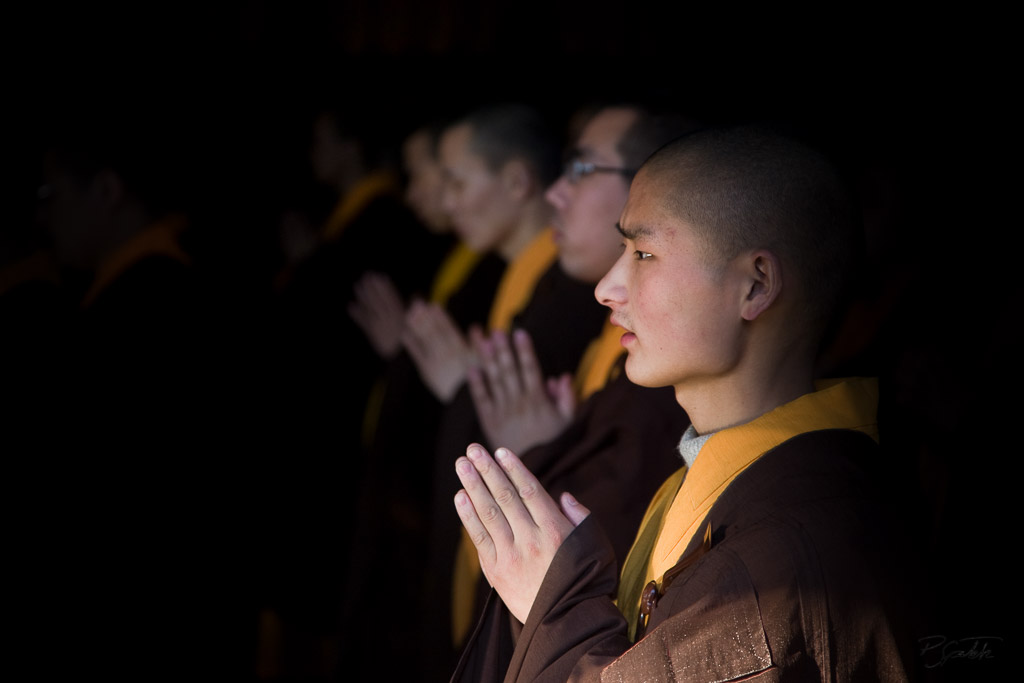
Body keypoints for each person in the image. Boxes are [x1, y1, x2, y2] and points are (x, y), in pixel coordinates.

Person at [450, 124, 923, 681]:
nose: (607, 286)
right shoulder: (710, 479)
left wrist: (556, 605)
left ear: (755, 286)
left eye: (644, 253)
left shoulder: (784, 556)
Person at [449, 102, 701, 654]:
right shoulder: (610, 344)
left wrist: (535, 454)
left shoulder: (667, 385)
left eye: (582, 170)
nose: (555, 193)